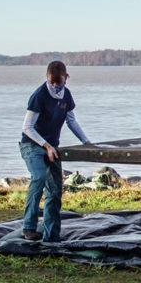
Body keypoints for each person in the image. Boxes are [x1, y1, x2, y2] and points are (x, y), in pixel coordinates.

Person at [19, 61, 92, 241]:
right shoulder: (39, 95)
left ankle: (52, 234)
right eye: (52, 83)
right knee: (39, 178)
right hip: (32, 145)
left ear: (66, 78)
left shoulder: (66, 95)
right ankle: (28, 227)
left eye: (59, 83)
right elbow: (27, 127)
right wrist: (46, 146)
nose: (56, 87)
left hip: (52, 147)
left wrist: (86, 142)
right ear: (47, 78)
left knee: (54, 189)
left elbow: (71, 121)